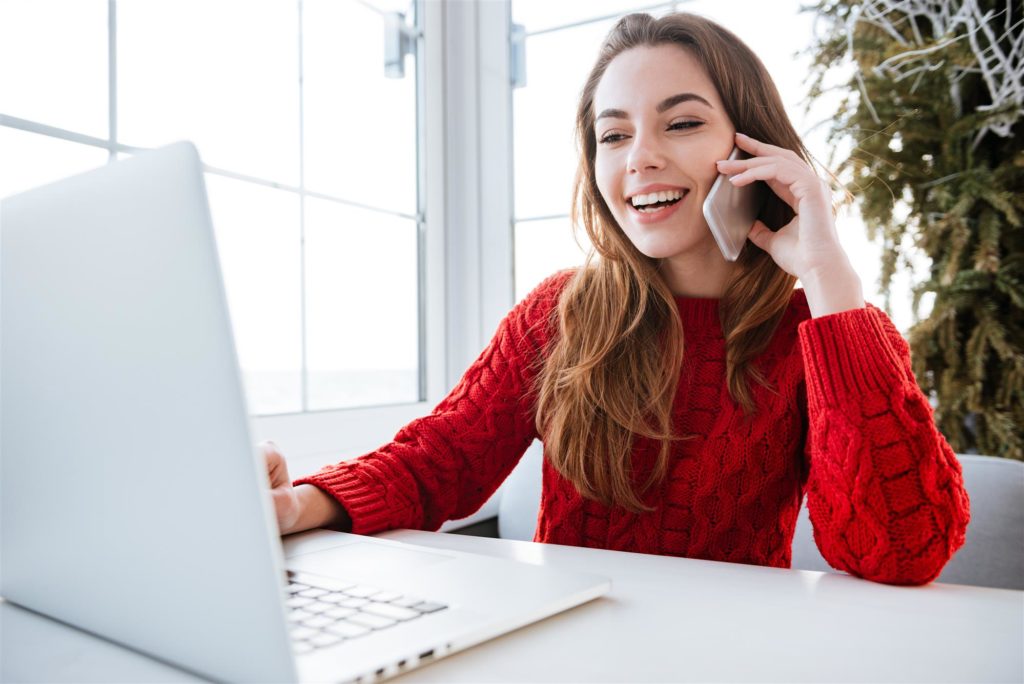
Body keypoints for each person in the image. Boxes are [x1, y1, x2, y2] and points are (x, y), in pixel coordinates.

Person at [263, 12, 970, 586]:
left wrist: (827, 275)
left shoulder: (817, 333)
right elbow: (437, 462)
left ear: (754, 148)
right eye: (614, 134)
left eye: (682, 123)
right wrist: (295, 505)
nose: (640, 157)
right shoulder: (561, 313)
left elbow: (902, 552)